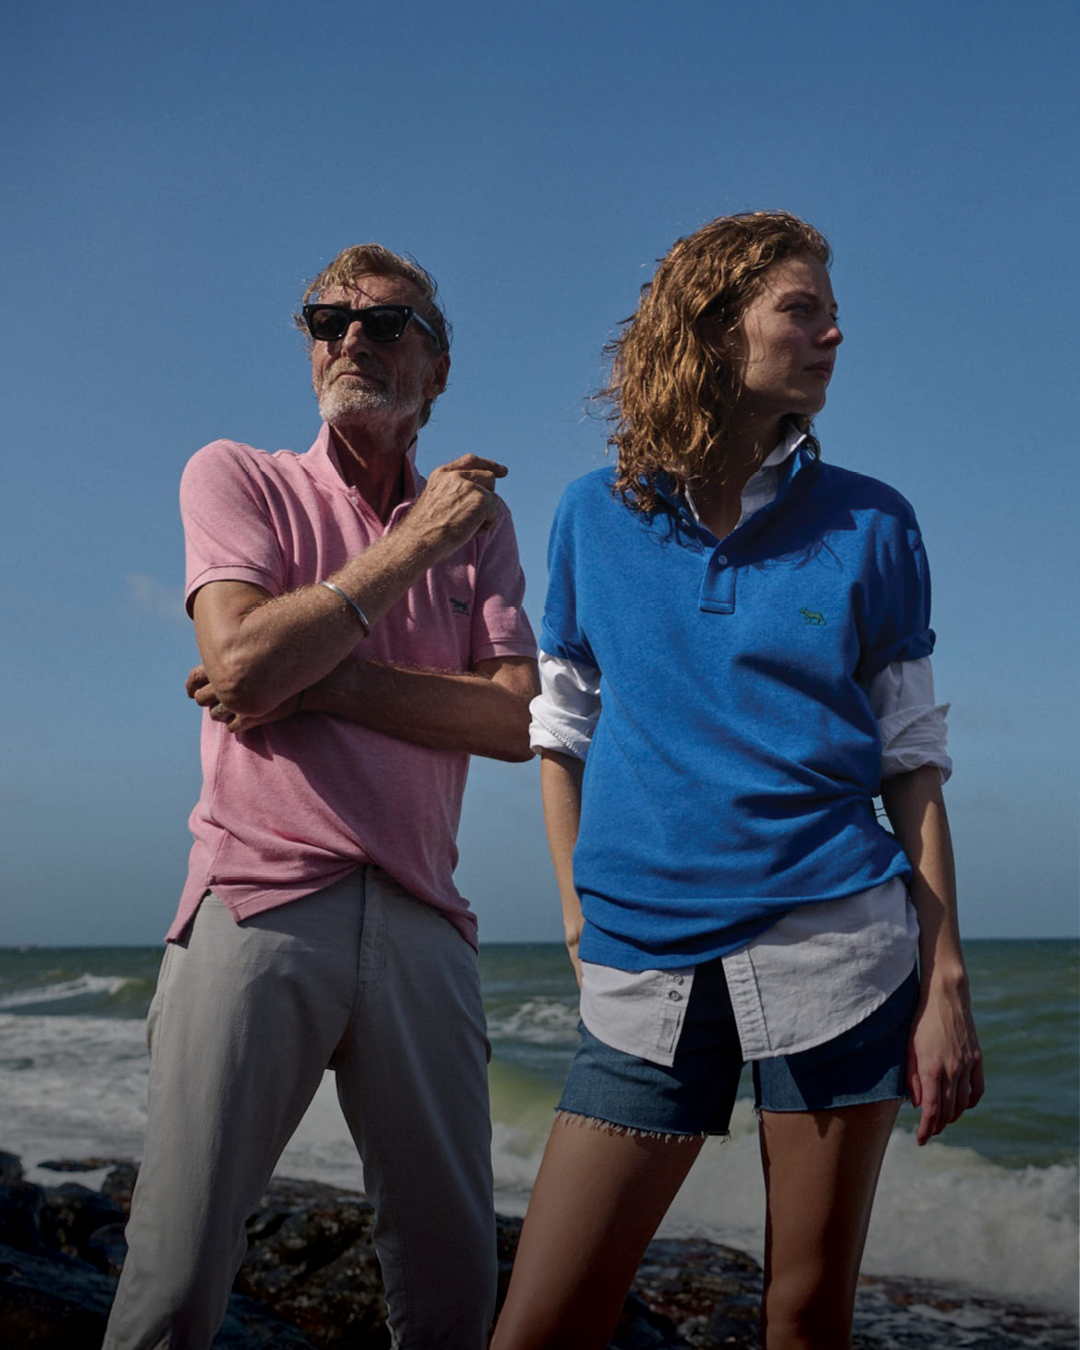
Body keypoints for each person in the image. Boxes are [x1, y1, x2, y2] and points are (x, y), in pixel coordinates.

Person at [491, 212, 983, 1350]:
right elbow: (561, 733)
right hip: (642, 959)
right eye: (801, 310)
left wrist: (945, 978)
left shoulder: (875, 521)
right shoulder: (589, 516)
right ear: (715, 329)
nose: (833, 334)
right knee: (544, 1322)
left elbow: (911, 762)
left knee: (805, 1316)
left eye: (832, 313)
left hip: (840, 951)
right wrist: (574, 915)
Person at [103, 244, 538, 1350]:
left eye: (384, 324)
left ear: (437, 370)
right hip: (259, 900)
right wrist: (414, 543)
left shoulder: (484, 525)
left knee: (452, 1292)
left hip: (424, 917)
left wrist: (322, 679)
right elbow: (244, 664)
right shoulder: (238, 475)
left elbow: (515, 722)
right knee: (175, 1279)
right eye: (325, 319)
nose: (349, 339)